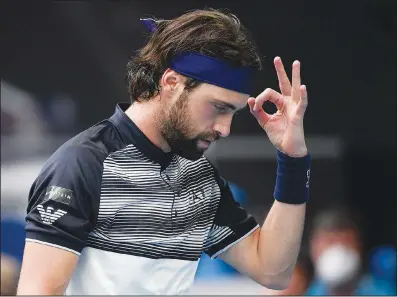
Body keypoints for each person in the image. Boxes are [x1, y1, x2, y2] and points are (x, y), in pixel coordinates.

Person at [17, 8, 311, 295]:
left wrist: (293, 160)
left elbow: (273, 271)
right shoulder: (83, 164)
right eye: (219, 107)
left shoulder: (200, 179)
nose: (225, 128)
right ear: (172, 83)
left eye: (233, 112)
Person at [306, 207, 396, 295]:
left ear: (359, 247)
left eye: (346, 242)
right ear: (313, 248)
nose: (338, 250)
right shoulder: (299, 290)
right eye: (330, 242)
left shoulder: (383, 292)